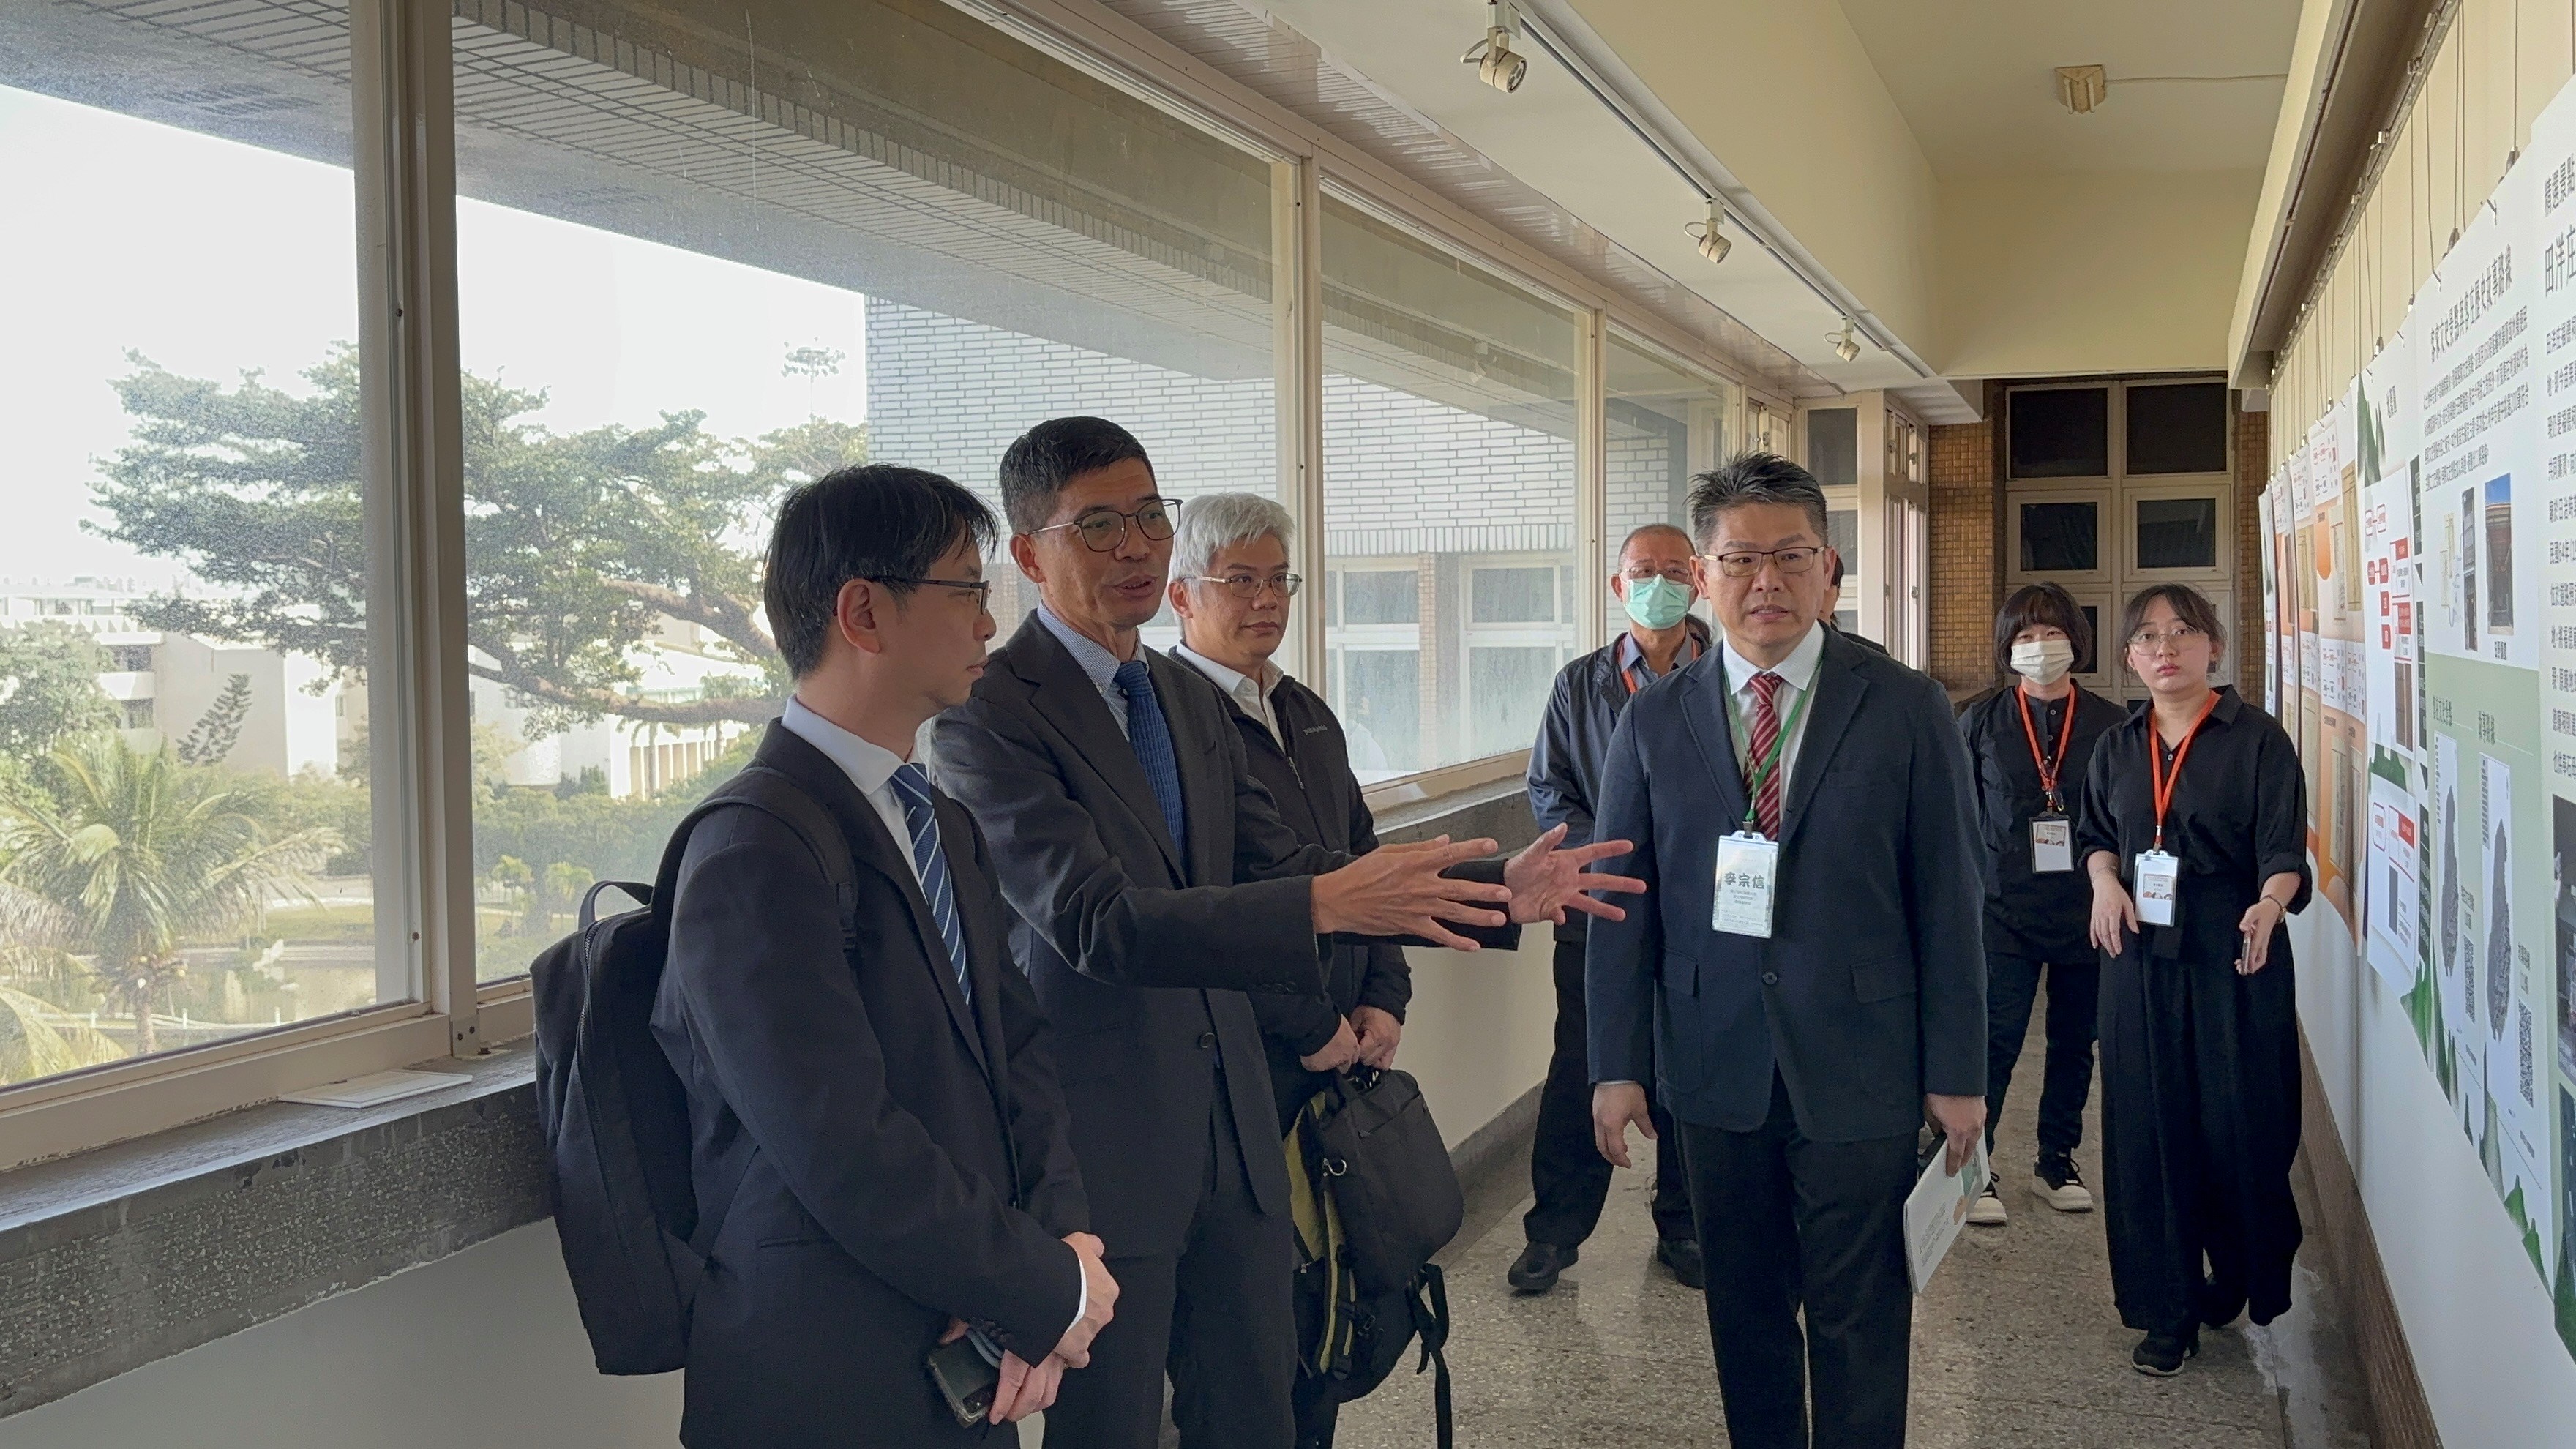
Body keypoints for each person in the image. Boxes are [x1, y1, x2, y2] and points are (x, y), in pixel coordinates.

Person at [933, 418, 1643, 1449]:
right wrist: (1324, 906)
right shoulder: (986, 714)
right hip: (1109, 1142)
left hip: (1244, 1128)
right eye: (1099, 526)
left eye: (1148, 516)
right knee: (1117, 1424)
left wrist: (1496, 890)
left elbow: (1289, 865)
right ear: (1032, 553)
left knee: (1259, 1406)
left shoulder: (1181, 694)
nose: (1135, 546)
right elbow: (1097, 922)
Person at [653, 465, 1116, 1446]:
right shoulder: (751, 849)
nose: (992, 622)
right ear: (864, 610)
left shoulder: (936, 816)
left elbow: (1018, 1048)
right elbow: (839, 1140)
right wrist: (1038, 1289)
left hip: (962, 1340)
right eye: (966, 590)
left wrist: (1060, 1246)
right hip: (825, 1370)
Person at [1589, 452, 1988, 1449]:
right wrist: (1616, 1066)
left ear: (1830, 569)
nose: (1764, 581)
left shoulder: (1903, 705)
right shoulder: (1651, 717)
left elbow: (1949, 898)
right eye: (1738, 560)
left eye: (1790, 557)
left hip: (1862, 1056)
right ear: (1703, 577)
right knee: (1745, 1315)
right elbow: (1621, 903)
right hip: (1713, 1057)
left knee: (1861, 1315)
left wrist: (1958, 1075)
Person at [2079, 583, 2309, 1377]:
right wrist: (2104, 882)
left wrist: (2269, 905)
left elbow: (2284, 853)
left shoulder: (2257, 741)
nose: (2164, 649)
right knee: (2147, 1131)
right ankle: (2165, 1308)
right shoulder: (2116, 743)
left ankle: (2235, 1273)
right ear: (2129, 658)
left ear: (2212, 644)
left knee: (2235, 1127)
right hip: (2137, 957)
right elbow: (2096, 837)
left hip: (2231, 956)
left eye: (2182, 632)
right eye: (2146, 637)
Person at [1516, 522, 1708, 1294]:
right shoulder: (1579, 683)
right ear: (1616, 585)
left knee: (1690, 1068)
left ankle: (1686, 1226)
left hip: (1701, 913)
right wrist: (1613, 860)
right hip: (1602, 909)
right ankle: (1554, 1233)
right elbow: (1547, 788)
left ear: (1696, 579)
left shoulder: (1727, 676)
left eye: (1670, 570)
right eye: (1640, 571)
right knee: (1584, 1065)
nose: (1655, 583)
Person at [1955, 583, 2123, 1227]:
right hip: (2002, 907)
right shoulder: (1979, 720)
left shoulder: (2111, 723)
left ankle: (2058, 1159)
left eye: (2051, 634)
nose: (2039, 648)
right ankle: (1977, 1166)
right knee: (1994, 1041)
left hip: (2087, 906)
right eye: (2025, 637)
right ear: (2007, 647)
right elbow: (1959, 814)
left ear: (2075, 642)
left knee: (2076, 1041)